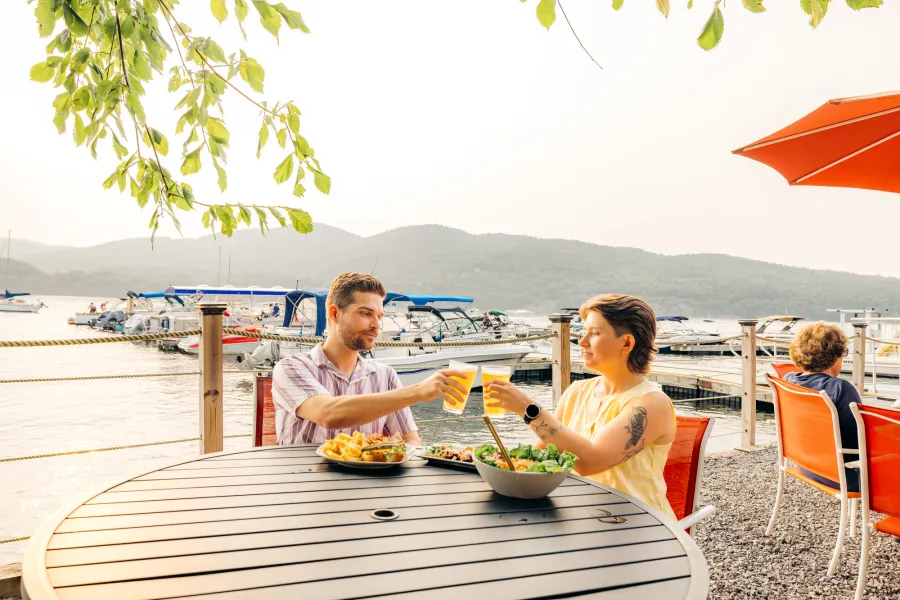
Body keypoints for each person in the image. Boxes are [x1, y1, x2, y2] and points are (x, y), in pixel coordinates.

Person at [484, 294, 678, 519]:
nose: (581, 341)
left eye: (594, 333)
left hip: (641, 525)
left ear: (627, 343)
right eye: (584, 332)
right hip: (583, 515)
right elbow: (544, 455)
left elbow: (590, 463)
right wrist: (484, 462)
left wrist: (528, 409)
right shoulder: (577, 391)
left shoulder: (651, 404)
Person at [272, 272, 467, 445]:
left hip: (368, 484)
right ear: (334, 313)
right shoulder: (291, 368)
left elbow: (411, 440)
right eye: (366, 313)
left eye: (379, 316)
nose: (376, 325)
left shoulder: (385, 375)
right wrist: (419, 391)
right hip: (302, 482)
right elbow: (328, 414)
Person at [783, 323, 861, 493]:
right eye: (843, 353)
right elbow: (861, 437)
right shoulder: (840, 388)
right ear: (834, 356)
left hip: (808, 465)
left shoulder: (788, 380)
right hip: (844, 475)